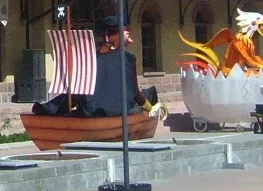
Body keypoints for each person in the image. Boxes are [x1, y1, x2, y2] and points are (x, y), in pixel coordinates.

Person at [33, 16, 166, 118]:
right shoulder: (128, 58)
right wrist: (151, 108)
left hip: (90, 110)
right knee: (146, 97)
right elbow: (134, 92)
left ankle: (50, 109)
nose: (130, 40)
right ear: (115, 35)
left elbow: (79, 89)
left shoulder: (89, 57)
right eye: (127, 35)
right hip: (117, 111)